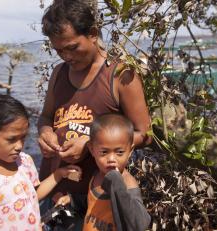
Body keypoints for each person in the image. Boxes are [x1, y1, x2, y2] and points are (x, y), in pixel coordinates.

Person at [38, 0, 151, 227]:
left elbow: (145, 134)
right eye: (58, 50)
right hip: (51, 191)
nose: (66, 56)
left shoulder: (120, 76)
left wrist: (90, 143)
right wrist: (44, 132)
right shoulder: (59, 74)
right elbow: (46, 116)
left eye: (72, 47)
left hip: (94, 202)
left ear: (92, 33)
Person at [0, 95, 81, 231]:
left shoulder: (24, 162)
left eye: (23, 138)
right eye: (12, 139)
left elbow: (33, 195)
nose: (19, 146)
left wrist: (59, 174)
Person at [57, 114, 151, 231]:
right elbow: (94, 204)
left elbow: (140, 224)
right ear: (92, 149)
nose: (111, 158)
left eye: (119, 152)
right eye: (104, 152)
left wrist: (117, 183)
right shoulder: (97, 174)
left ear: (130, 151)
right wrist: (73, 200)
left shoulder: (127, 184)